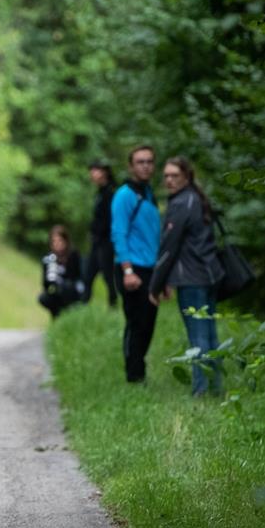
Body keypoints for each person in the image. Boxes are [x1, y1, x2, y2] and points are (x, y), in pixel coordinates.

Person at [149, 157, 226, 396]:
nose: (169, 180)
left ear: (187, 176)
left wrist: (156, 285)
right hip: (209, 275)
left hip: (193, 279)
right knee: (210, 334)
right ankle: (216, 388)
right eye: (166, 176)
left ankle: (201, 390)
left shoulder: (182, 202)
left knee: (199, 336)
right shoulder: (196, 198)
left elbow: (169, 247)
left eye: (175, 175)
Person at [111, 145, 162, 384]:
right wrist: (128, 270)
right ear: (131, 166)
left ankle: (138, 370)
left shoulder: (149, 193)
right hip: (131, 268)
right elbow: (119, 233)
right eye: (140, 162)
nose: (146, 166)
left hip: (150, 268)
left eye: (150, 161)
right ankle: (134, 375)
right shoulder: (124, 195)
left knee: (148, 322)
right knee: (136, 322)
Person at [84, 159, 118, 307]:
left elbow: (109, 220)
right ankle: (83, 305)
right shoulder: (100, 193)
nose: (91, 174)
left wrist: (100, 233)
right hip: (97, 241)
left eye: (95, 170)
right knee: (88, 273)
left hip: (105, 242)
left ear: (104, 172)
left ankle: (113, 303)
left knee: (107, 275)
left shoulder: (110, 193)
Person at [38, 224, 85, 318]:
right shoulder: (49, 259)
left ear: (65, 241)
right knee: (45, 297)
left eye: (59, 240)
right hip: (57, 292)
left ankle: (69, 316)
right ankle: (56, 318)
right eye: (54, 241)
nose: (57, 244)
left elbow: (78, 276)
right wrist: (50, 276)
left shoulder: (73, 255)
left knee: (67, 288)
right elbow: (45, 285)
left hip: (72, 290)